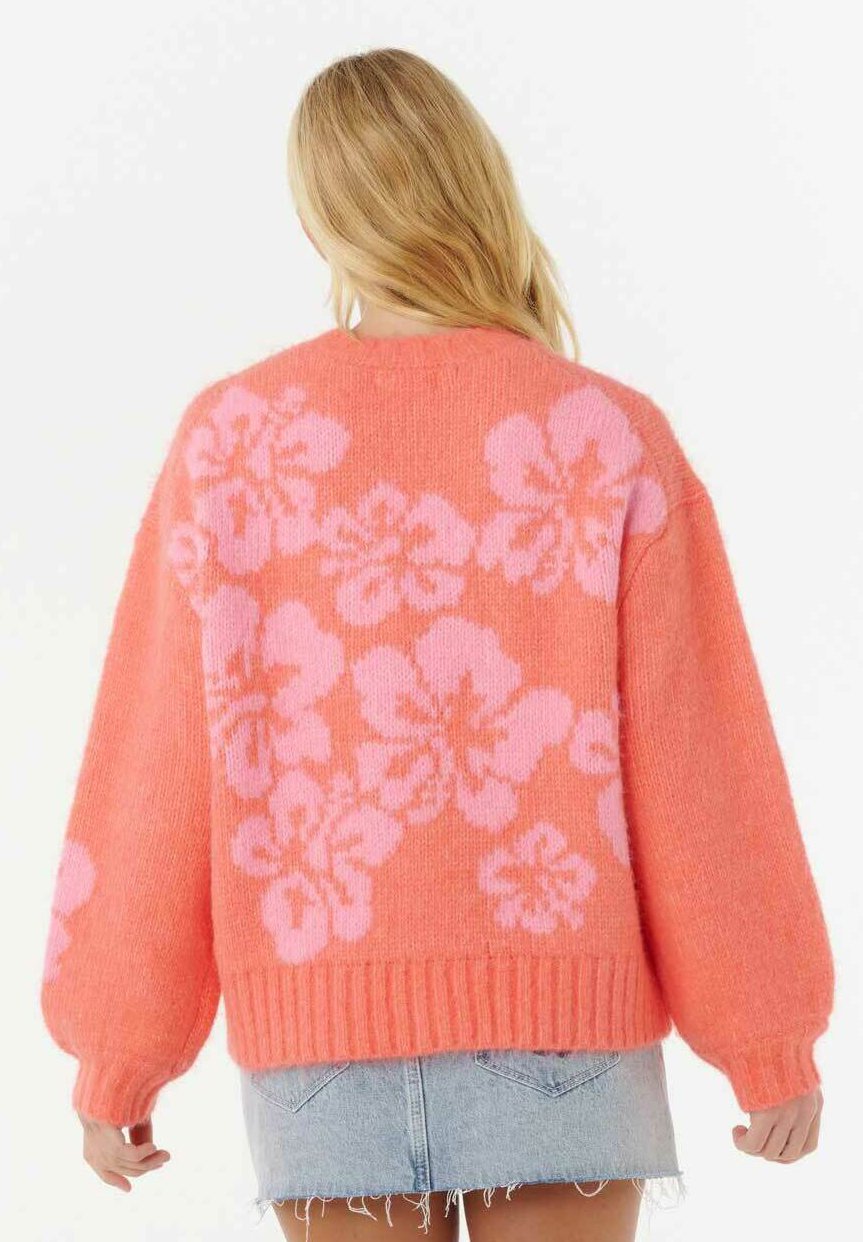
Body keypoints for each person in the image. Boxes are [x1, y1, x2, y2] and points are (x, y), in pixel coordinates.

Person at [40, 47, 834, 1242]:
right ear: (476, 181)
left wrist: (118, 1048)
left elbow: (153, 768)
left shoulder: (232, 444)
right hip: (563, 1040)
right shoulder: (605, 434)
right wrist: (764, 1032)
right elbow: (701, 766)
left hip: (318, 1055)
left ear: (318, 212)